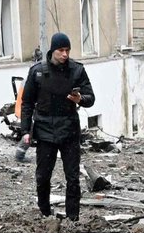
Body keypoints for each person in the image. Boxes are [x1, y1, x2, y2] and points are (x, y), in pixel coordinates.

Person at [19, 32, 95, 221]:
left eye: (67, 50)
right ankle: (45, 214)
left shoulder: (77, 70)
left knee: (72, 177)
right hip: (45, 129)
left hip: (69, 128)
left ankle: (72, 219)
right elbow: (26, 103)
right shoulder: (37, 71)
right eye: (61, 50)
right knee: (43, 176)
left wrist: (80, 99)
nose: (65, 54)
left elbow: (90, 98)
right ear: (53, 50)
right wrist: (25, 131)